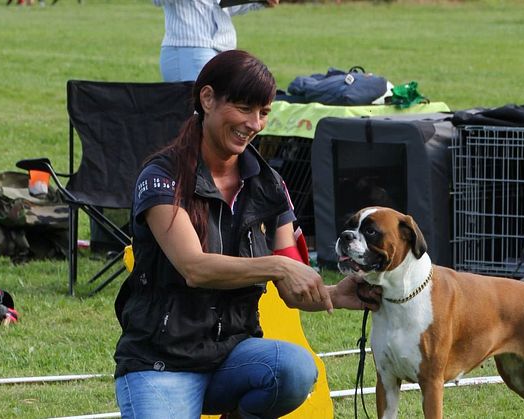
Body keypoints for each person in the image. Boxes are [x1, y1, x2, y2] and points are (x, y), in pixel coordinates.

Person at [113, 49, 381, 419]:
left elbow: (291, 292)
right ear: (207, 99)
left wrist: (338, 294)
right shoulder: (162, 177)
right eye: (243, 108)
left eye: (264, 112)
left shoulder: (270, 185)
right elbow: (194, 267)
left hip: (233, 356)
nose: (254, 123)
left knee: (295, 369)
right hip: (161, 361)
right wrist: (276, 266)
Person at [153, 0, 280, 82]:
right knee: (196, 114)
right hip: (190, 49)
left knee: (219, 111)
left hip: (224, 48)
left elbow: (221, 6)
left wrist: (259, 1)